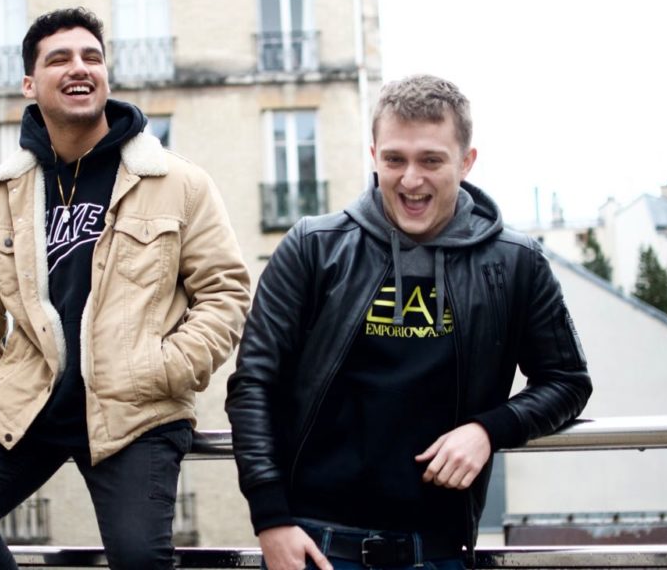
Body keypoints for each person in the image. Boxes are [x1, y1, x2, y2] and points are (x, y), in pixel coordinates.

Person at [0, 7, 251, 570]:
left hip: (136, 409)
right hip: (28, 404)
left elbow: (226, 293)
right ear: (29, 83)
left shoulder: (177, 181)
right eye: (60, 59)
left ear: (105, 75)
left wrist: (163, 367)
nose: (80, 67)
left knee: (141, 560)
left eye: (92, 57)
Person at [225, 74, 592, 570]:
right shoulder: (313, 248)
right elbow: (253, 384)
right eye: (394, 159)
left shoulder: (514, 263)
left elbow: (567, 381)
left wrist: (488, 430)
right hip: (316, 545)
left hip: (439, 551)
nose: (411, 180)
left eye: (431, 161)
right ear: (373, 155)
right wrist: (270, 519)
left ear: (467, 162)